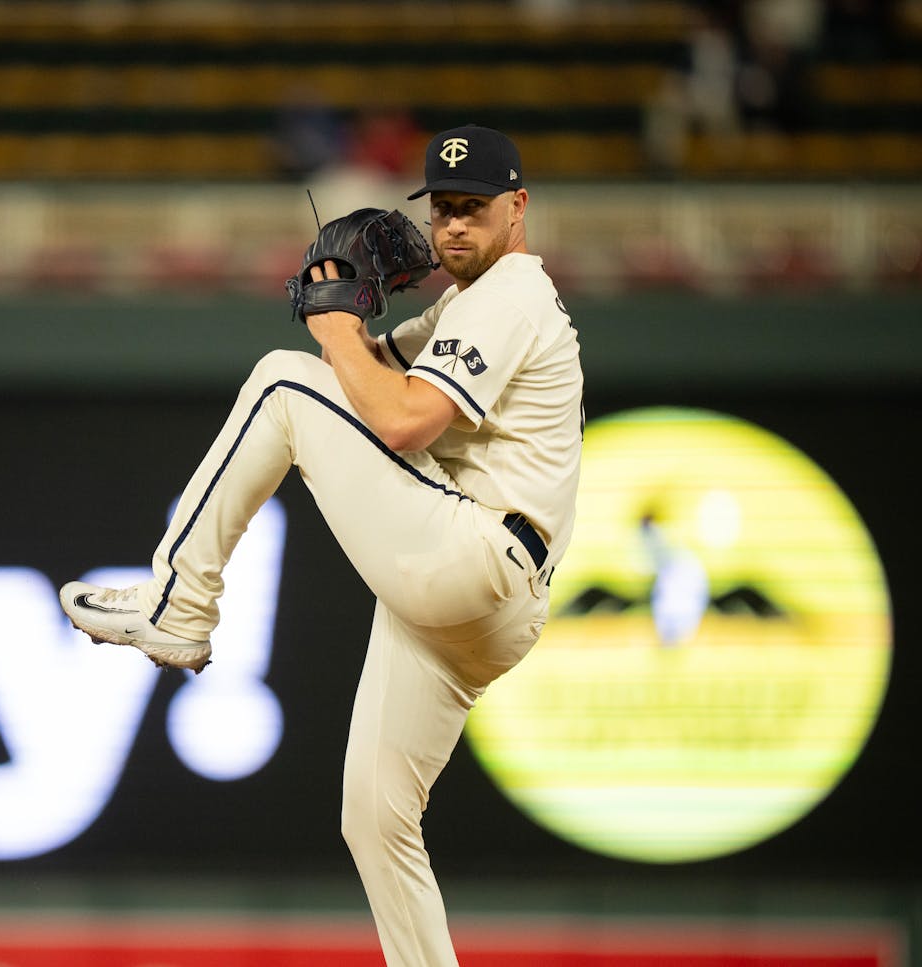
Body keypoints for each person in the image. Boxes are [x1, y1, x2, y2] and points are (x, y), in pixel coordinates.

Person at [60, 124, 584, 967]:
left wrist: (331, 325)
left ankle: (179, 604)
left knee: (277, 380)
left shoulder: (511, 293)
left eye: (473, 209)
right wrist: (343, 306)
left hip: (476, 553)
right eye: (442, 209)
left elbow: (404, 419)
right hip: (482, 601)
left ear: (517, 208)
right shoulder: (467, 302)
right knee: (375, 816)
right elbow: (371, 379)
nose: (452, 226)